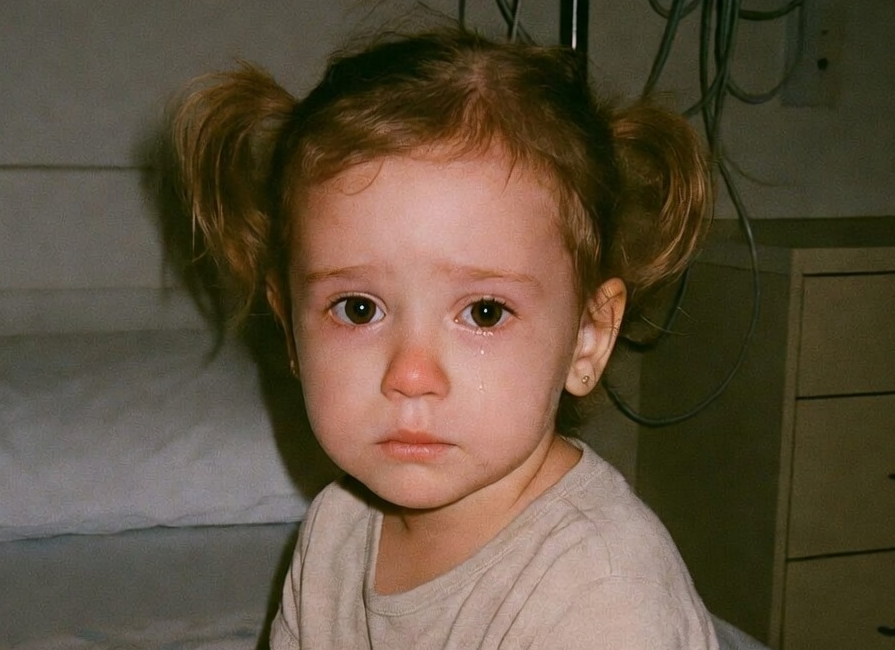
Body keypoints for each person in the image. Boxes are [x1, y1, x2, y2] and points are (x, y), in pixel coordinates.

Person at [172, 27, 719, 650]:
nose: (410, 374)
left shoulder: (603, 594)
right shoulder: (337, 528)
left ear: (587, 337)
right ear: (291, 329)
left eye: (484, 313)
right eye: (358, 309)